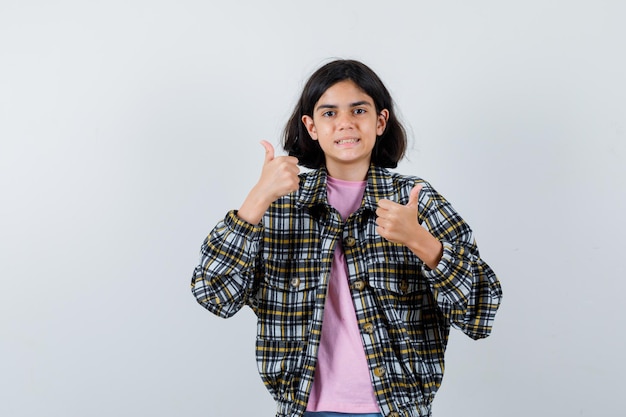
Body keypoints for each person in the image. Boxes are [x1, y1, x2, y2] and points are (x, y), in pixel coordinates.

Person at [191, 59, 503, 417]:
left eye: (359, 110)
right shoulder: (278, 205)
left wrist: (421, 242)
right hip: (303, 410)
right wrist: (256, 200)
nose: (345, 123)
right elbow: (215, 296)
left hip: (398, 409)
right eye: (328, 113)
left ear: (380, 121)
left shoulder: (416, 201)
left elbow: (482, 312)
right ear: (310, 126)